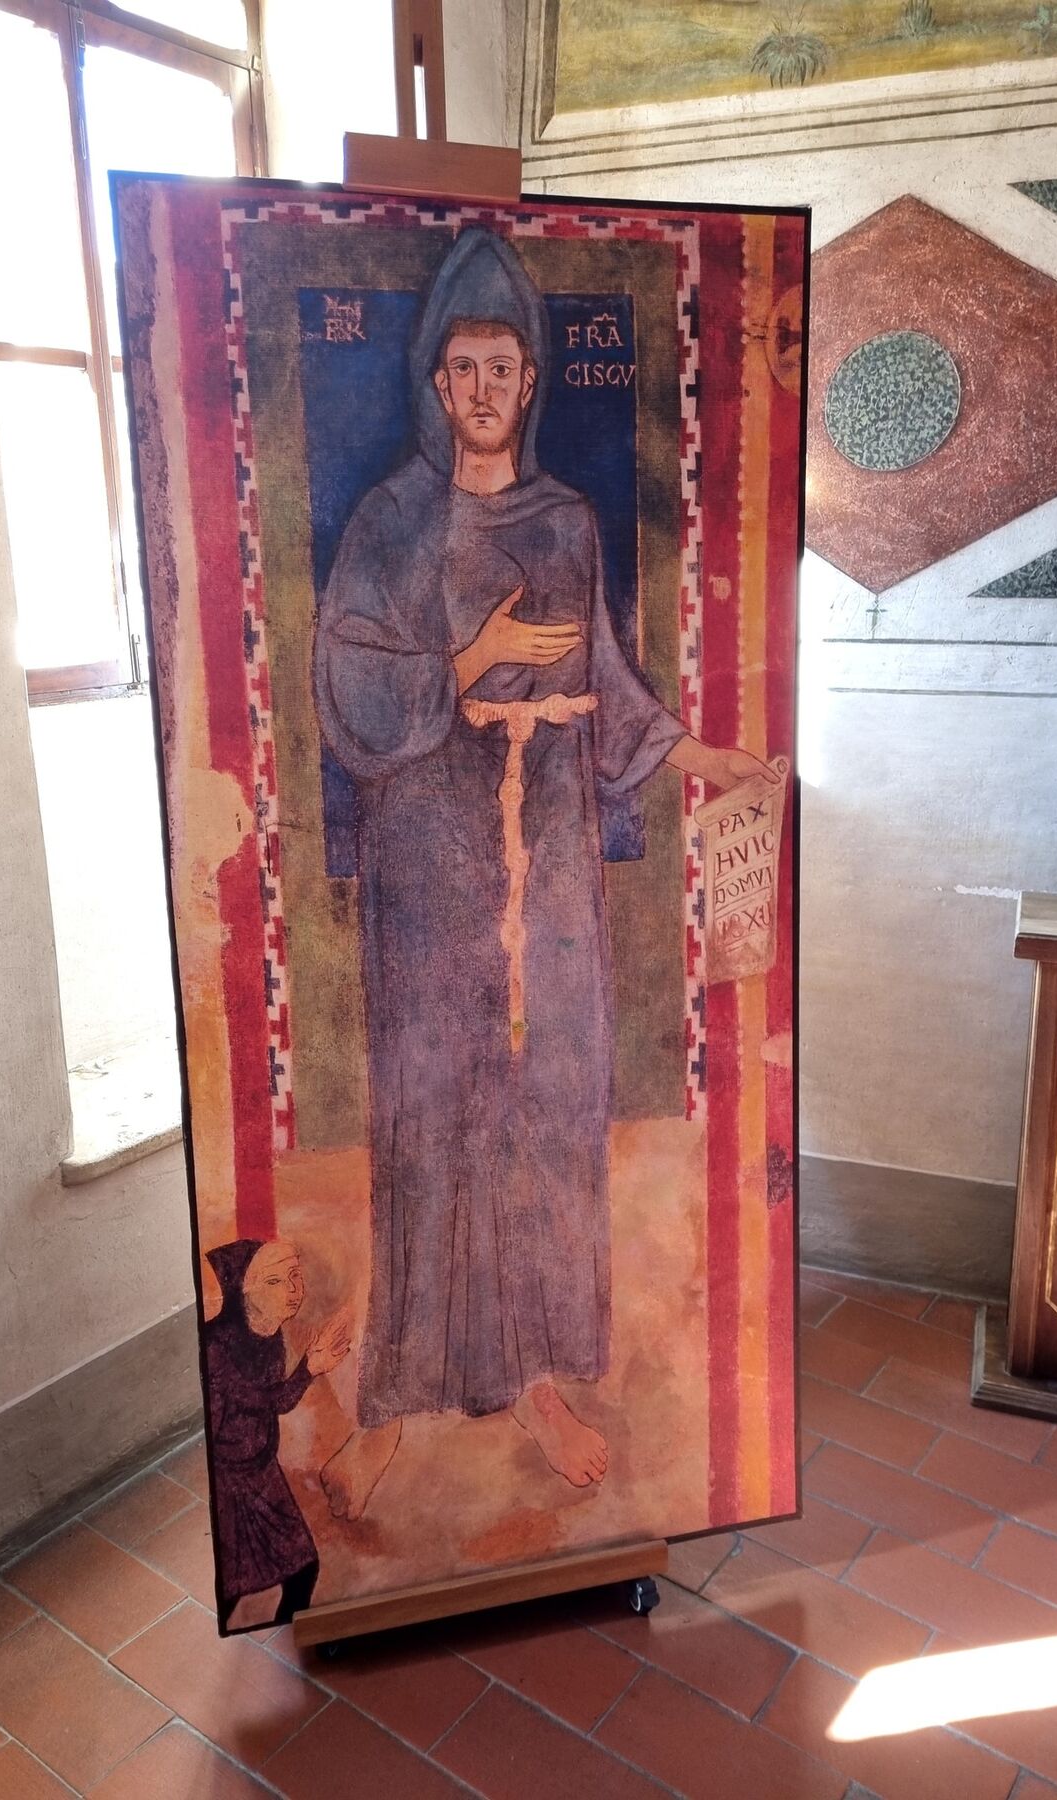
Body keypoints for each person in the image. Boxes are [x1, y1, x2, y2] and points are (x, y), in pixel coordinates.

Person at [312, 227, 775, 1521]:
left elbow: (609, 689)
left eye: (501, 367)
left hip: (551, 848)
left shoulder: (565, 520)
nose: (480, 388)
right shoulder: (390, 521)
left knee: (547, 1102)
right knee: (433, 1107)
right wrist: (470, 659)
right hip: (428, 859)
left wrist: (708, 757)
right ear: (434, 380)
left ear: (529, 383)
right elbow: (347, 686)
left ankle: (533, 1378)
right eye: (459, 366)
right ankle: (401, 1392)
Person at [202, 1238, 350, 1627]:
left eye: (295, 1276)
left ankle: (291, 1632)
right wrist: (309, 1368)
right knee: (232, 1587)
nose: (293, 1289)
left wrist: (310, 1367)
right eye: (275, 1281)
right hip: (229, 1479)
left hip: (260, 1470)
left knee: (302, 1569)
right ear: (244, 1291)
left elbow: (276, 1402)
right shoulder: (215, 1345)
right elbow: (261, 1399)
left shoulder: (270, 1336)